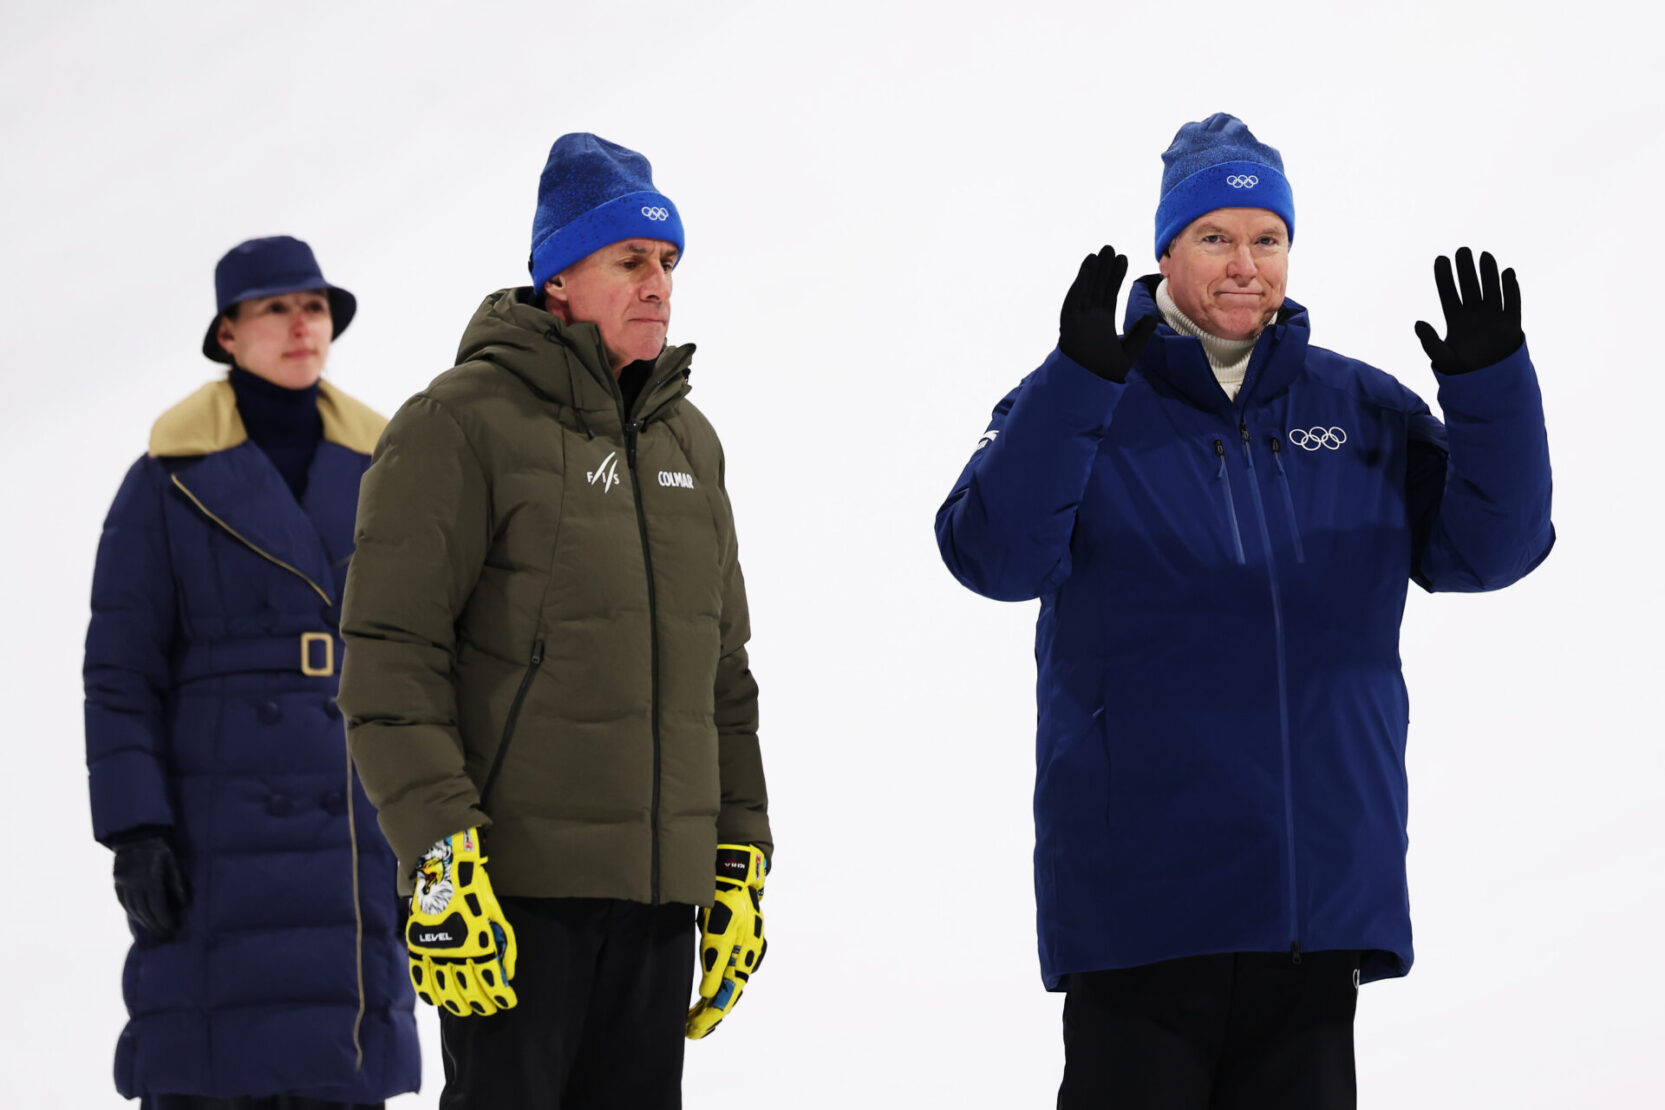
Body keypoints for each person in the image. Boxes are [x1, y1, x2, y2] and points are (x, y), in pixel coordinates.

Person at [934, 113, 1553, 1109]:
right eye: (1215, 238)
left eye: (1267, 239)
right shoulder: (1091, 399)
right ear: (1167, 250)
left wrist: (1492, 394)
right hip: (1143, 910)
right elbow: (993, 557)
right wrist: (1075, 385)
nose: (1244, 267)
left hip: (1311, 909)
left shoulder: (1361, 409)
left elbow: (1494, 549)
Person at [337, 132, 772, 1109]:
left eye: (667, 263)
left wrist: (739, 853)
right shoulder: (460, 423)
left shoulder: (688, 444)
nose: (657, 282)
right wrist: (439, 854)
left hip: (659, 902)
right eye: (630, 260)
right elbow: (388, 659)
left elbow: (723, 676)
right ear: (559, 276)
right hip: (513, 898)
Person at [84, 235, 421, 1109]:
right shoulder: (164, 480)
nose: (301, 325)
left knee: (337, 1059)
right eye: (274, 307)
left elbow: (426, 655)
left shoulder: (389, 469)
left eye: (313, 306)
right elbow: (119, 672)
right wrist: (135, 830)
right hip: (214, 824)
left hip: (352, 810)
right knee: (215, 1053)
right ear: (227, 334)